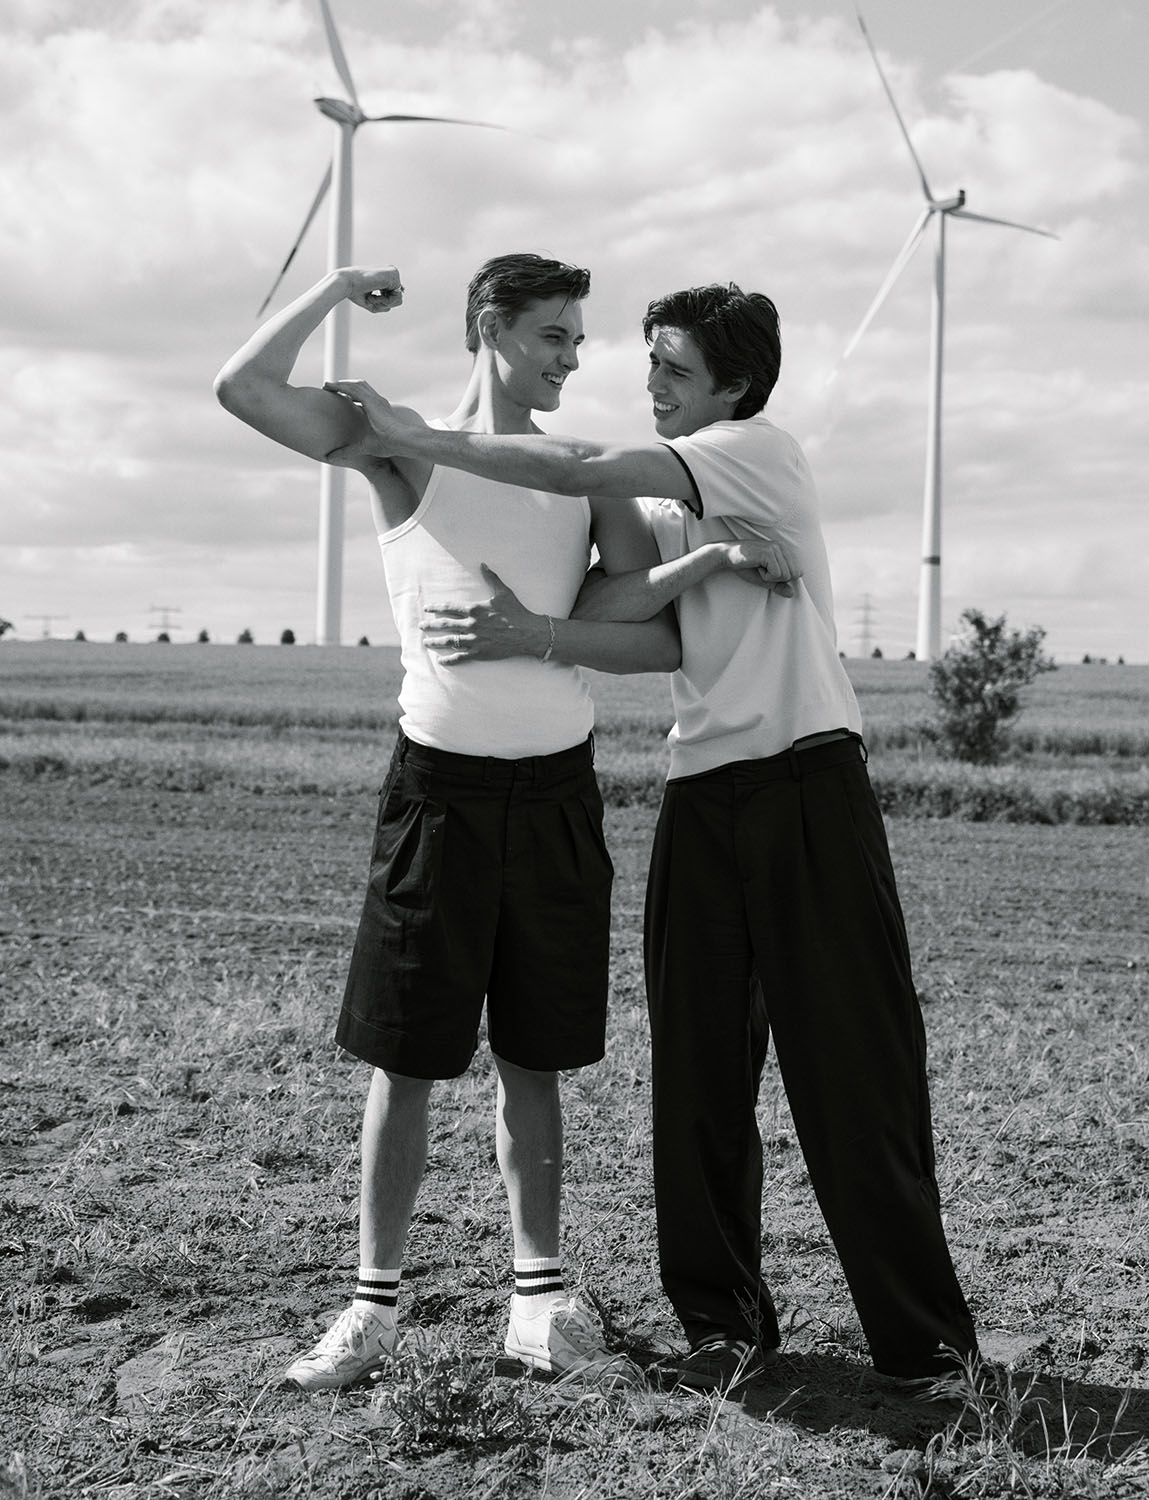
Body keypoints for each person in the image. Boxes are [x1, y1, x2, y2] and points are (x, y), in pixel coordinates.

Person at [323, 280, 979, 1393]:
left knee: (853, 1070)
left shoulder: (754, 452)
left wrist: (407, 434)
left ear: (735, 384)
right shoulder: (669, 502)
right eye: (650, 364)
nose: (651, 384)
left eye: (674, 368)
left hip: (809, 785)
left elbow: (577, 466)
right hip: (701, 795)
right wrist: (564, 618)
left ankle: (925, 1349)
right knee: (697, 1080)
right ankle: (725, 1329)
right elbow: (625, 618)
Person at [213, 257, 790, 1393]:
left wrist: (701, 560)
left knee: (537, 1058)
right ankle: (370, 1310)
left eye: (578, 339)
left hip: (558, 795)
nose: (573, 358)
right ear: (491, 328)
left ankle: (537, 1304)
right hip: (440, 794)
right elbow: (244, 390)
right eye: (552, 336)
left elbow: (633, 617)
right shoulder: (403, 444)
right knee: (407, 1061)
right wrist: (334, 289)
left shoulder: (586, 477)